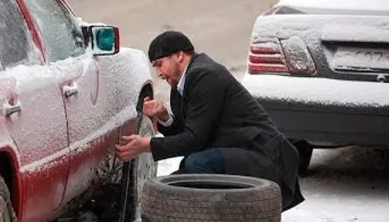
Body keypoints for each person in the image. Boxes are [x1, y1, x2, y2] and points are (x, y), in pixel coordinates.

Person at [115, 30, 304, 211]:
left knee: (196, 165)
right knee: (188, 168)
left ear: (179, 56)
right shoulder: (180, 84)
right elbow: (192, 133)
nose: (158, 73)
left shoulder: (205, 75)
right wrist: (164, 117)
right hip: (238, 153)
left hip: (266, 158)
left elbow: (195, 140)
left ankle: (203, 221)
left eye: (159, 64)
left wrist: (147, 145)